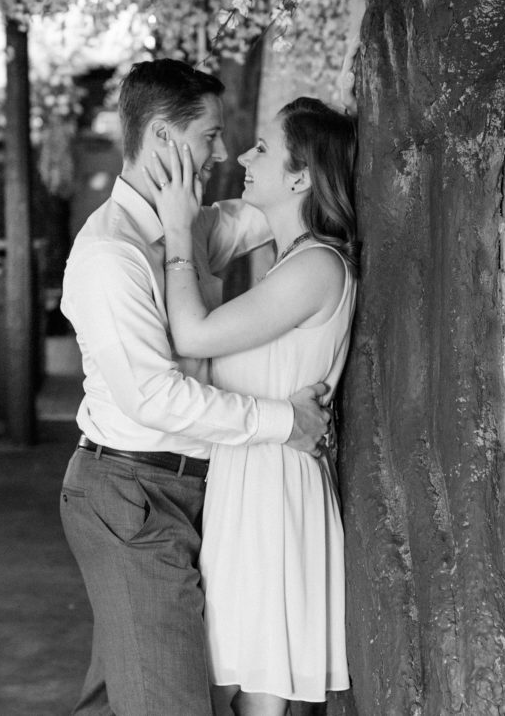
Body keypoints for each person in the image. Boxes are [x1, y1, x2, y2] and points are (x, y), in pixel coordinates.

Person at [59, 60, 331, 716]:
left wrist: (314, 168)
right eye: (209, 136)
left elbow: (267, 214)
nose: (221, 153)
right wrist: (284, 421)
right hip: (132, 497)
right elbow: (154, 398)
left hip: (183, 491)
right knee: (169, 703)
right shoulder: (110, 255)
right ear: (161, 136)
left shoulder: (188, 228)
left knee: (133, 694)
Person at [145, 96, 358, 716]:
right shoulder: (285, 263)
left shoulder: (317, 265)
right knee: (231, 684)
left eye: (262, 148)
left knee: (258, 691)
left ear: (300, 176)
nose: (241, 155)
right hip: (248, 478)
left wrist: (179, 229)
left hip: (272, 489)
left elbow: (193, 337)